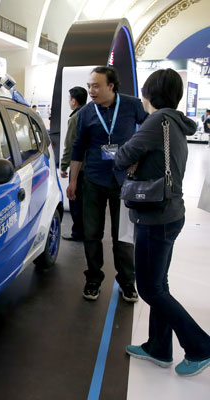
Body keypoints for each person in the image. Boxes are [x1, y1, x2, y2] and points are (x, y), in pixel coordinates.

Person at [115, 68, 210, 377]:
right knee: (159, 283)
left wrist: (121, 153)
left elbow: (125, 154)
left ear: (149, 93)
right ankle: (159, 346)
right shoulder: (176, 123)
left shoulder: (158, 120)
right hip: (170, 213)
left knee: (150, 289)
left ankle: (200, 346)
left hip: (155, 217)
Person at [67, 66, 147, 302]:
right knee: (92, 233)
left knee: (122, 235)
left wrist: (139, 158)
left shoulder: (132, 105)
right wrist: (73, 181)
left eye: (96, 86)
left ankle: (127, 282)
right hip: (93, 179)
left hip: (124, 181)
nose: (91, 90)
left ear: (111, 86)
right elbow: (78, 148)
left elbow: (149, 131)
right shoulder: (85, 114)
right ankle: (93, 279)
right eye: (89, 85)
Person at [60, 86, 87, 241]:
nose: (69, 102)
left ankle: (78, 233)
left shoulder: (76, 118)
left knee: (75, 200)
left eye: (69, 99)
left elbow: (70, 145)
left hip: (78, 168)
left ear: (74, 101)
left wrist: (63, 166)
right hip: (90, 167)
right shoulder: (91, 113)